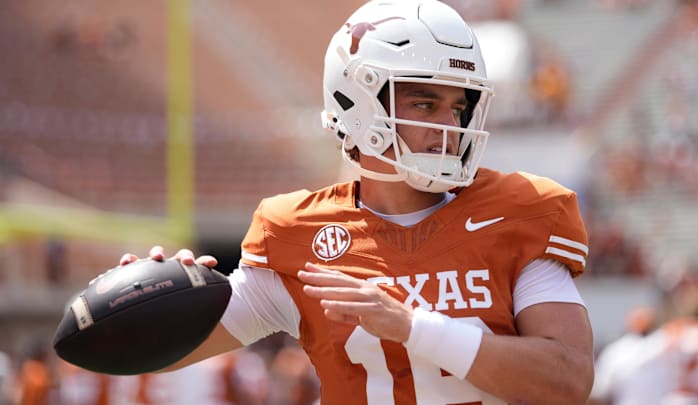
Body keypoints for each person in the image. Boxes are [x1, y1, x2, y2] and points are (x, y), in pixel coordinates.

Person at [117, 1, 594, 404]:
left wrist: (411, 326)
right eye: (425, 104)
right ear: (359, 104)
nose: (449, 127)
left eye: (459, 106)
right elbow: (138, 348)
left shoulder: (520, 210)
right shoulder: (299, 235)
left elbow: (568, 380)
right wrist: (153, 298)